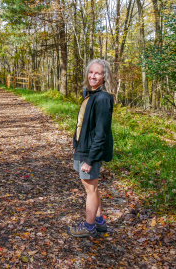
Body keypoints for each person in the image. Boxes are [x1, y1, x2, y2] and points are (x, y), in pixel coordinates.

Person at [68, 59, 114, 237]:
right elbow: (83, 124)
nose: (93, 76)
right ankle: (100, 221)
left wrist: (89, 159)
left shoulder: (102, 99)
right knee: (93, 187)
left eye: (98, 73)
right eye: (91, 72)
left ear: (104, 76)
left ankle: (89, 226)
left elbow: (101, 133)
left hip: (90, 151)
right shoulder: (90, 94)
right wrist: (76, 144)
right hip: (84, 147)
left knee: (90, 189)